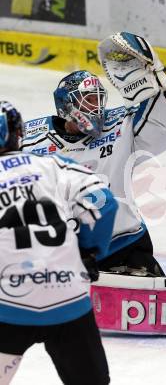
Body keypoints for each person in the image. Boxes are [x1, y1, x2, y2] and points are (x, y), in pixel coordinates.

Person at [20, 32, 166, 276]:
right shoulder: (30, 140)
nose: (95, 108)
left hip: (124, 243)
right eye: (87, 101)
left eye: (98, 100)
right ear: (66, 106)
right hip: (60, 253)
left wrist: (157, 84)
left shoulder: (120, 124)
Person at [0, 101, 118, 385]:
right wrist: (88, 253)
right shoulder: (52, 164)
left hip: (8, 302)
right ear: (19, 134)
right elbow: (104, 202)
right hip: (67, 296)